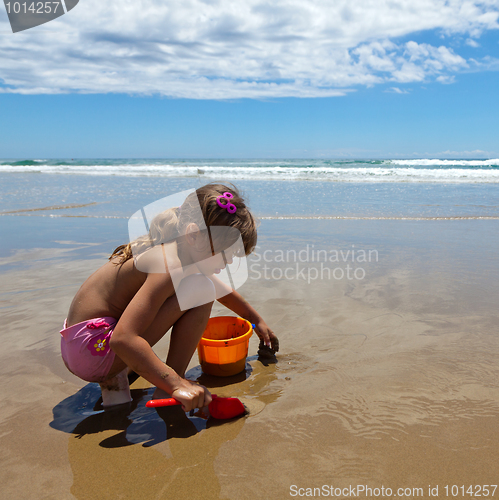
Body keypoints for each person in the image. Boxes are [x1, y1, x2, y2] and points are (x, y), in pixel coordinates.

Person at [60, 183, 278, 411]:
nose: (229, 262)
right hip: (94, 351)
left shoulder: (178, 250)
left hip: (80, 346)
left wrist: (256, 320)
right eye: (225, 253)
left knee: (202, 285)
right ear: (193, 234)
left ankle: (117, 379)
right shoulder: (169, 265)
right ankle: (169, 384)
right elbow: (122, 339)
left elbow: (222, 291)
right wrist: (175, 384)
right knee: (201, 291)